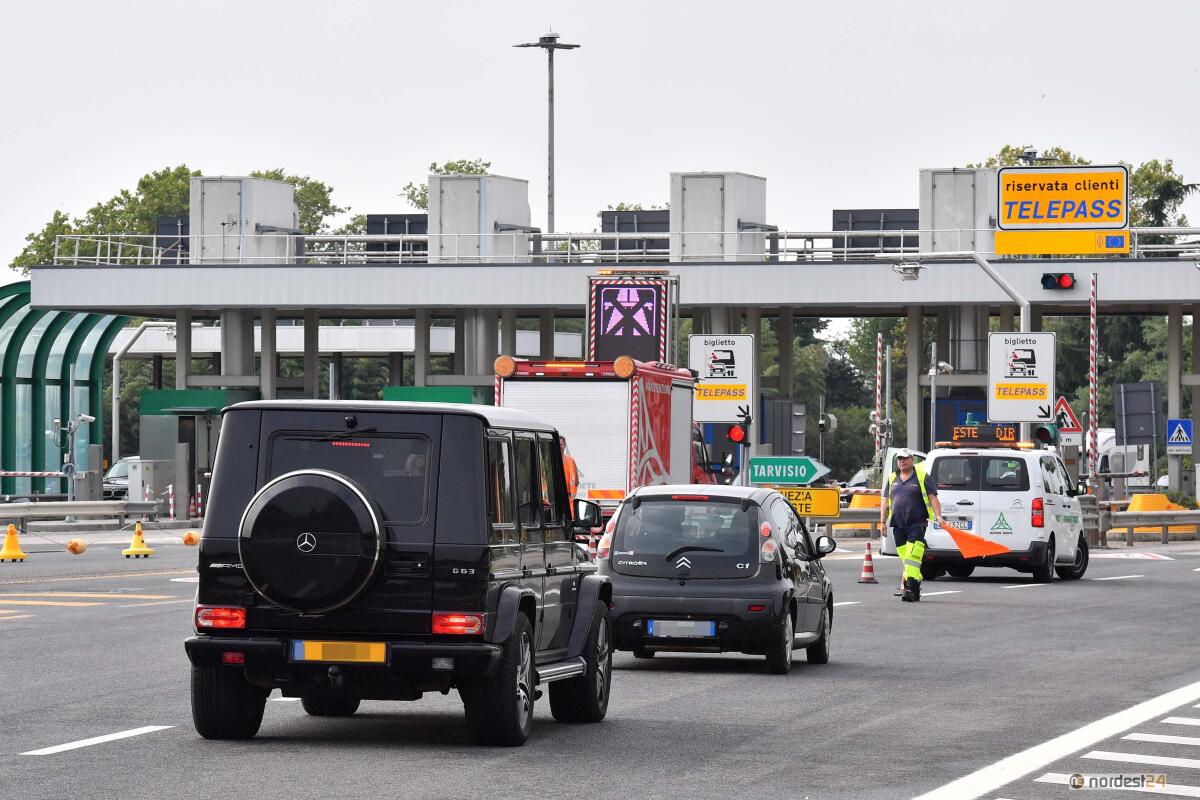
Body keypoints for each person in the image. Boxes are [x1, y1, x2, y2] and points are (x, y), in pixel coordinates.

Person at [878, 449, 945, 602]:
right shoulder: (892, 478)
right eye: (899, 459)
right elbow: (884, 501)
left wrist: (939, 516)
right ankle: (915, 585)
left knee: (912, 555)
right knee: (905, 557)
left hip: (917, 523)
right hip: (898, 524)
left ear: (912, 460)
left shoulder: (922, 477)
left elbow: (933, 498)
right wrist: (882, 522)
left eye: (905, 459)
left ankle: (910, 587)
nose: (902, 461)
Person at [560, 436, 580, 500]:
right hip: (555, 499)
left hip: (569, 499)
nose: (559, 446)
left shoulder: (571, 460)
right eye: (558, 444)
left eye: (561, 444)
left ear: (565, 445)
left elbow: (576, 481)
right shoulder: (551, 460)